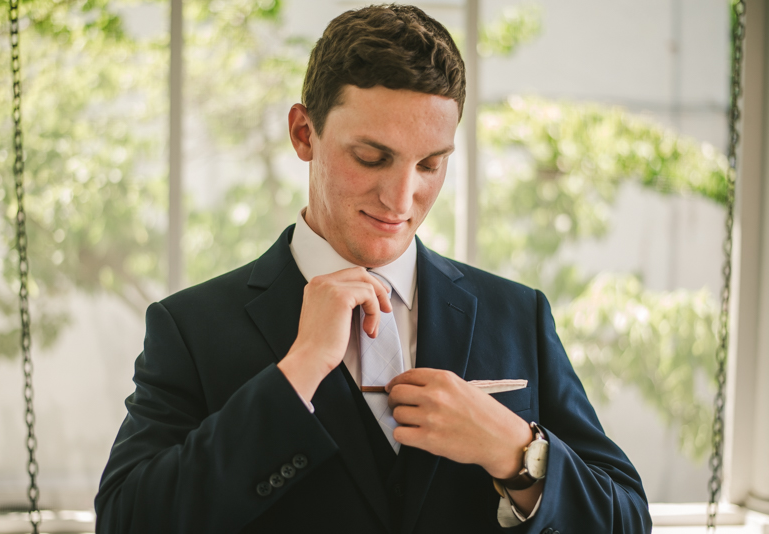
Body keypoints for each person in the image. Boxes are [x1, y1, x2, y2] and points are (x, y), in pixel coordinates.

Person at [95, 4, 651, 533]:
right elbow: (127, 521)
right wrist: (299, 371)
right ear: (303, 133)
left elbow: (626, 519)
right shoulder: (190, 328)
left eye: (430, 164)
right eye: (372, 157)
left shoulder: (518, 314)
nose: (401, 198)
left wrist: (514, 451)